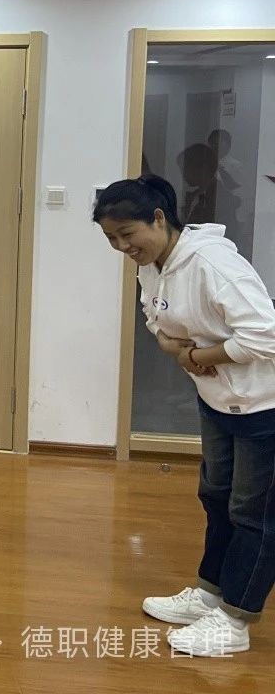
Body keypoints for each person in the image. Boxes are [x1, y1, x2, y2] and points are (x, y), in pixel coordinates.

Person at [94, 174, 275, 656]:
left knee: (254, 513)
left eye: (127, 234)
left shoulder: (213, 264)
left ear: (158, 218)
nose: (122, 247)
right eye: (111, 239)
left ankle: (235, 621)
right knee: (216, 496)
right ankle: (211, 594)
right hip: (216, 400)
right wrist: (176, 349)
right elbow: (155, 319)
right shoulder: (153, 264)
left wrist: (195, 357)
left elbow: (265, 336)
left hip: (264, 406)